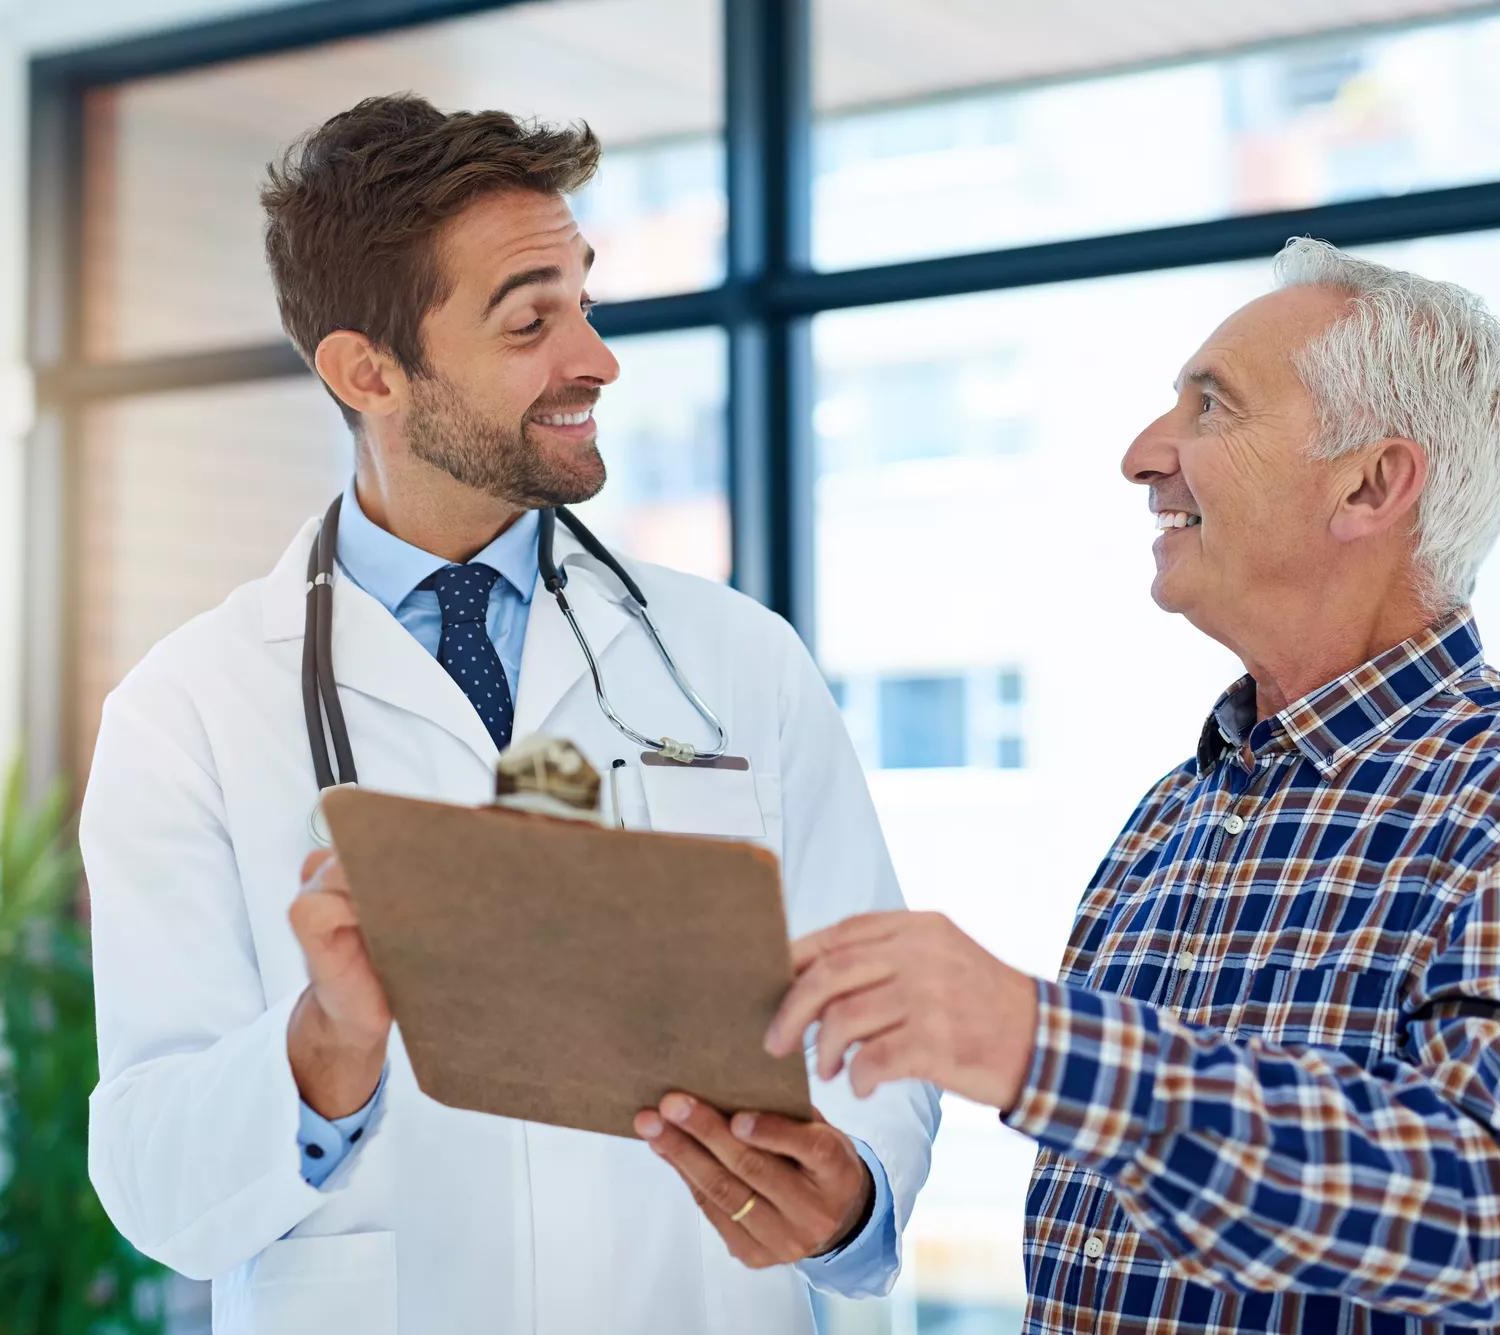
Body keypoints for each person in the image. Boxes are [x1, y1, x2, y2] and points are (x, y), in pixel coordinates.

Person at [81, 94, 938, 1335]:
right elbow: (156, 1177)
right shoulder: (190, 708)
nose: (595, 358)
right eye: (531, 321)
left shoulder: (733, 660)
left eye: (583, 302)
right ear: (366, 371)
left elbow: (870, 1017)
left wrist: (854, 1192)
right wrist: (326, 1043)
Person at [772, 239, 1500, 1333]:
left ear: (1369, 483)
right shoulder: (1167, 818)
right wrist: (839, 1201)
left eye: (1211, 407)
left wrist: (1035, 1045)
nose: (1143, 455)